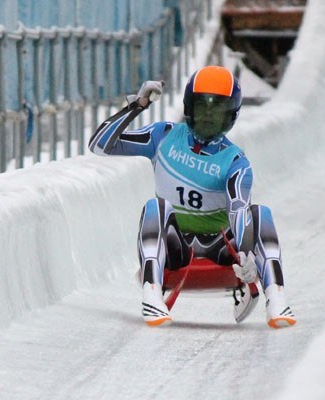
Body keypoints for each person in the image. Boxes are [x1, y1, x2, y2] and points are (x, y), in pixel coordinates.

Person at [88, 66, 296, 329]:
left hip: (223, 251)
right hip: (177, 247)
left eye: (217, 109)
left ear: (230, 115)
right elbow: (99, 145)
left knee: (261, 213)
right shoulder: (162, 135)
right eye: (202, 107)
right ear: (190, 107)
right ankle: (151, 293)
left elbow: (238, 208)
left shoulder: (235, 161)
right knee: (156, 207)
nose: (208, 116)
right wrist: (137, 106)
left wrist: (246, 255)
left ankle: (276, 296)